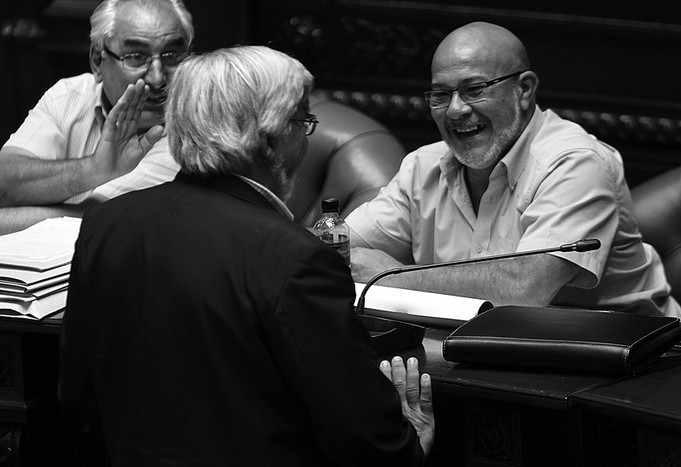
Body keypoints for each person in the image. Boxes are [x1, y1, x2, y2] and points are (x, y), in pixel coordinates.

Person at [58, 46, 434, 466]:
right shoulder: (295, 259)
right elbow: (365, 441)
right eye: (301, 123)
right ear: (270, 138)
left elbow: (77, 393)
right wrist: (411, 445)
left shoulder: (105, 224)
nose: (304, 141)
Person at [346, 22, 681, 322]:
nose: (455, 110)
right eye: (440, 95)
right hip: (492, 358)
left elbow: (523, 290)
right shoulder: (423, 167)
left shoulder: (576, 161)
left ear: (524, 90)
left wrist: (387, 276)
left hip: (636, 365)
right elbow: (334, 251)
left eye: (474, 90)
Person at [0, 0, 193, 234]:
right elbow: (4, 183)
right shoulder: (69, 95)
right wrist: (93, 169)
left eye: (172, 55)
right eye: (135, 56)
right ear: (97, 62)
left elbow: (106, 221)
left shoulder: (195, 127)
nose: (156, 78)